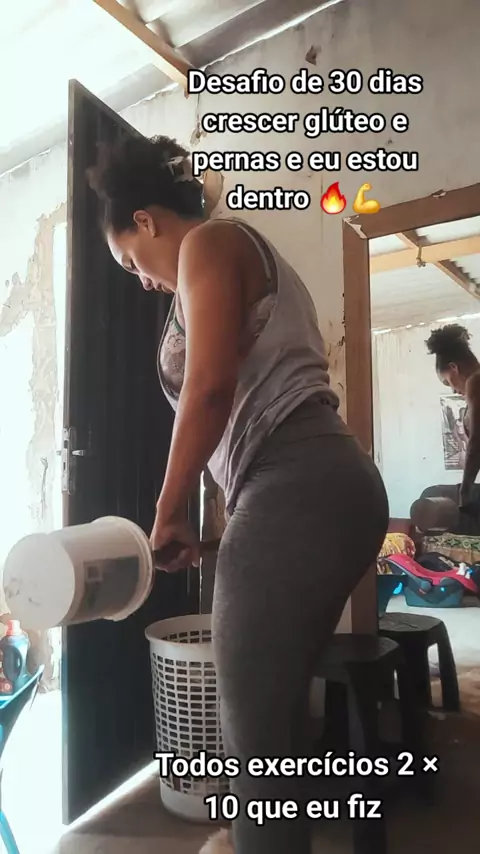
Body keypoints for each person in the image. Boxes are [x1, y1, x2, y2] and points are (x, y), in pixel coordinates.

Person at [88, 134, 389, 854]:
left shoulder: (210, 242)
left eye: (130, 261)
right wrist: (215, 518)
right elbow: (236, 406)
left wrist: (165, 512)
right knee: (272, 719)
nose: (140, 281)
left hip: (296, 483)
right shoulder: (233, 258)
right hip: (310, 484)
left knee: (253, 731)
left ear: (147, 221)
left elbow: (209, 390)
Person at [426, 324, 480, 514]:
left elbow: (476, 442)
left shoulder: (475, 381)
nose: (453, 390)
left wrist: (465, 489)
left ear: (453, 367)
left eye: (448, 381)